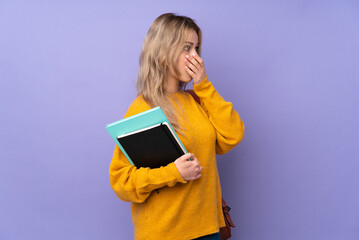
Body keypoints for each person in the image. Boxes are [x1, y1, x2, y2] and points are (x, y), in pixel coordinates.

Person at [109, 13, 245, 240]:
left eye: (197, 48)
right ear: (163, 51)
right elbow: (122, 182)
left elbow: (233, 135)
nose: (196, 57)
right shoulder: (144, 108)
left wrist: (203, 85)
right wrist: (174, 173)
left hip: (209, 230)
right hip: (165, 234)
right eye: (186, 48)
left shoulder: (197, 99)